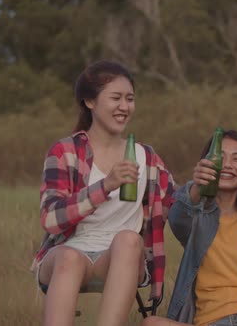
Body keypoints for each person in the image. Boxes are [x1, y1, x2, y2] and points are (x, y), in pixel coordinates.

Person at [30, 60, 175, 326]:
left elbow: (176, 204)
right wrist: (105, 186)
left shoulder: (147, 158)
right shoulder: (65, 152)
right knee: (69, 257)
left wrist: (225, 191)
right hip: (68, 254)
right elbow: (51, 219)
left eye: (130, 99)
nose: (124, 107)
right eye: (116, 98)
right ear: (90, 102)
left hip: (120, 258)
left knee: (130, 241)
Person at [142, 130, 237, 326]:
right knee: (151, 324)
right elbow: (177, 217)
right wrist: (198, 186)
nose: (226, 165)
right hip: (203, 323)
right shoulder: (196, 216)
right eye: (220, 158)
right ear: (207, 165)